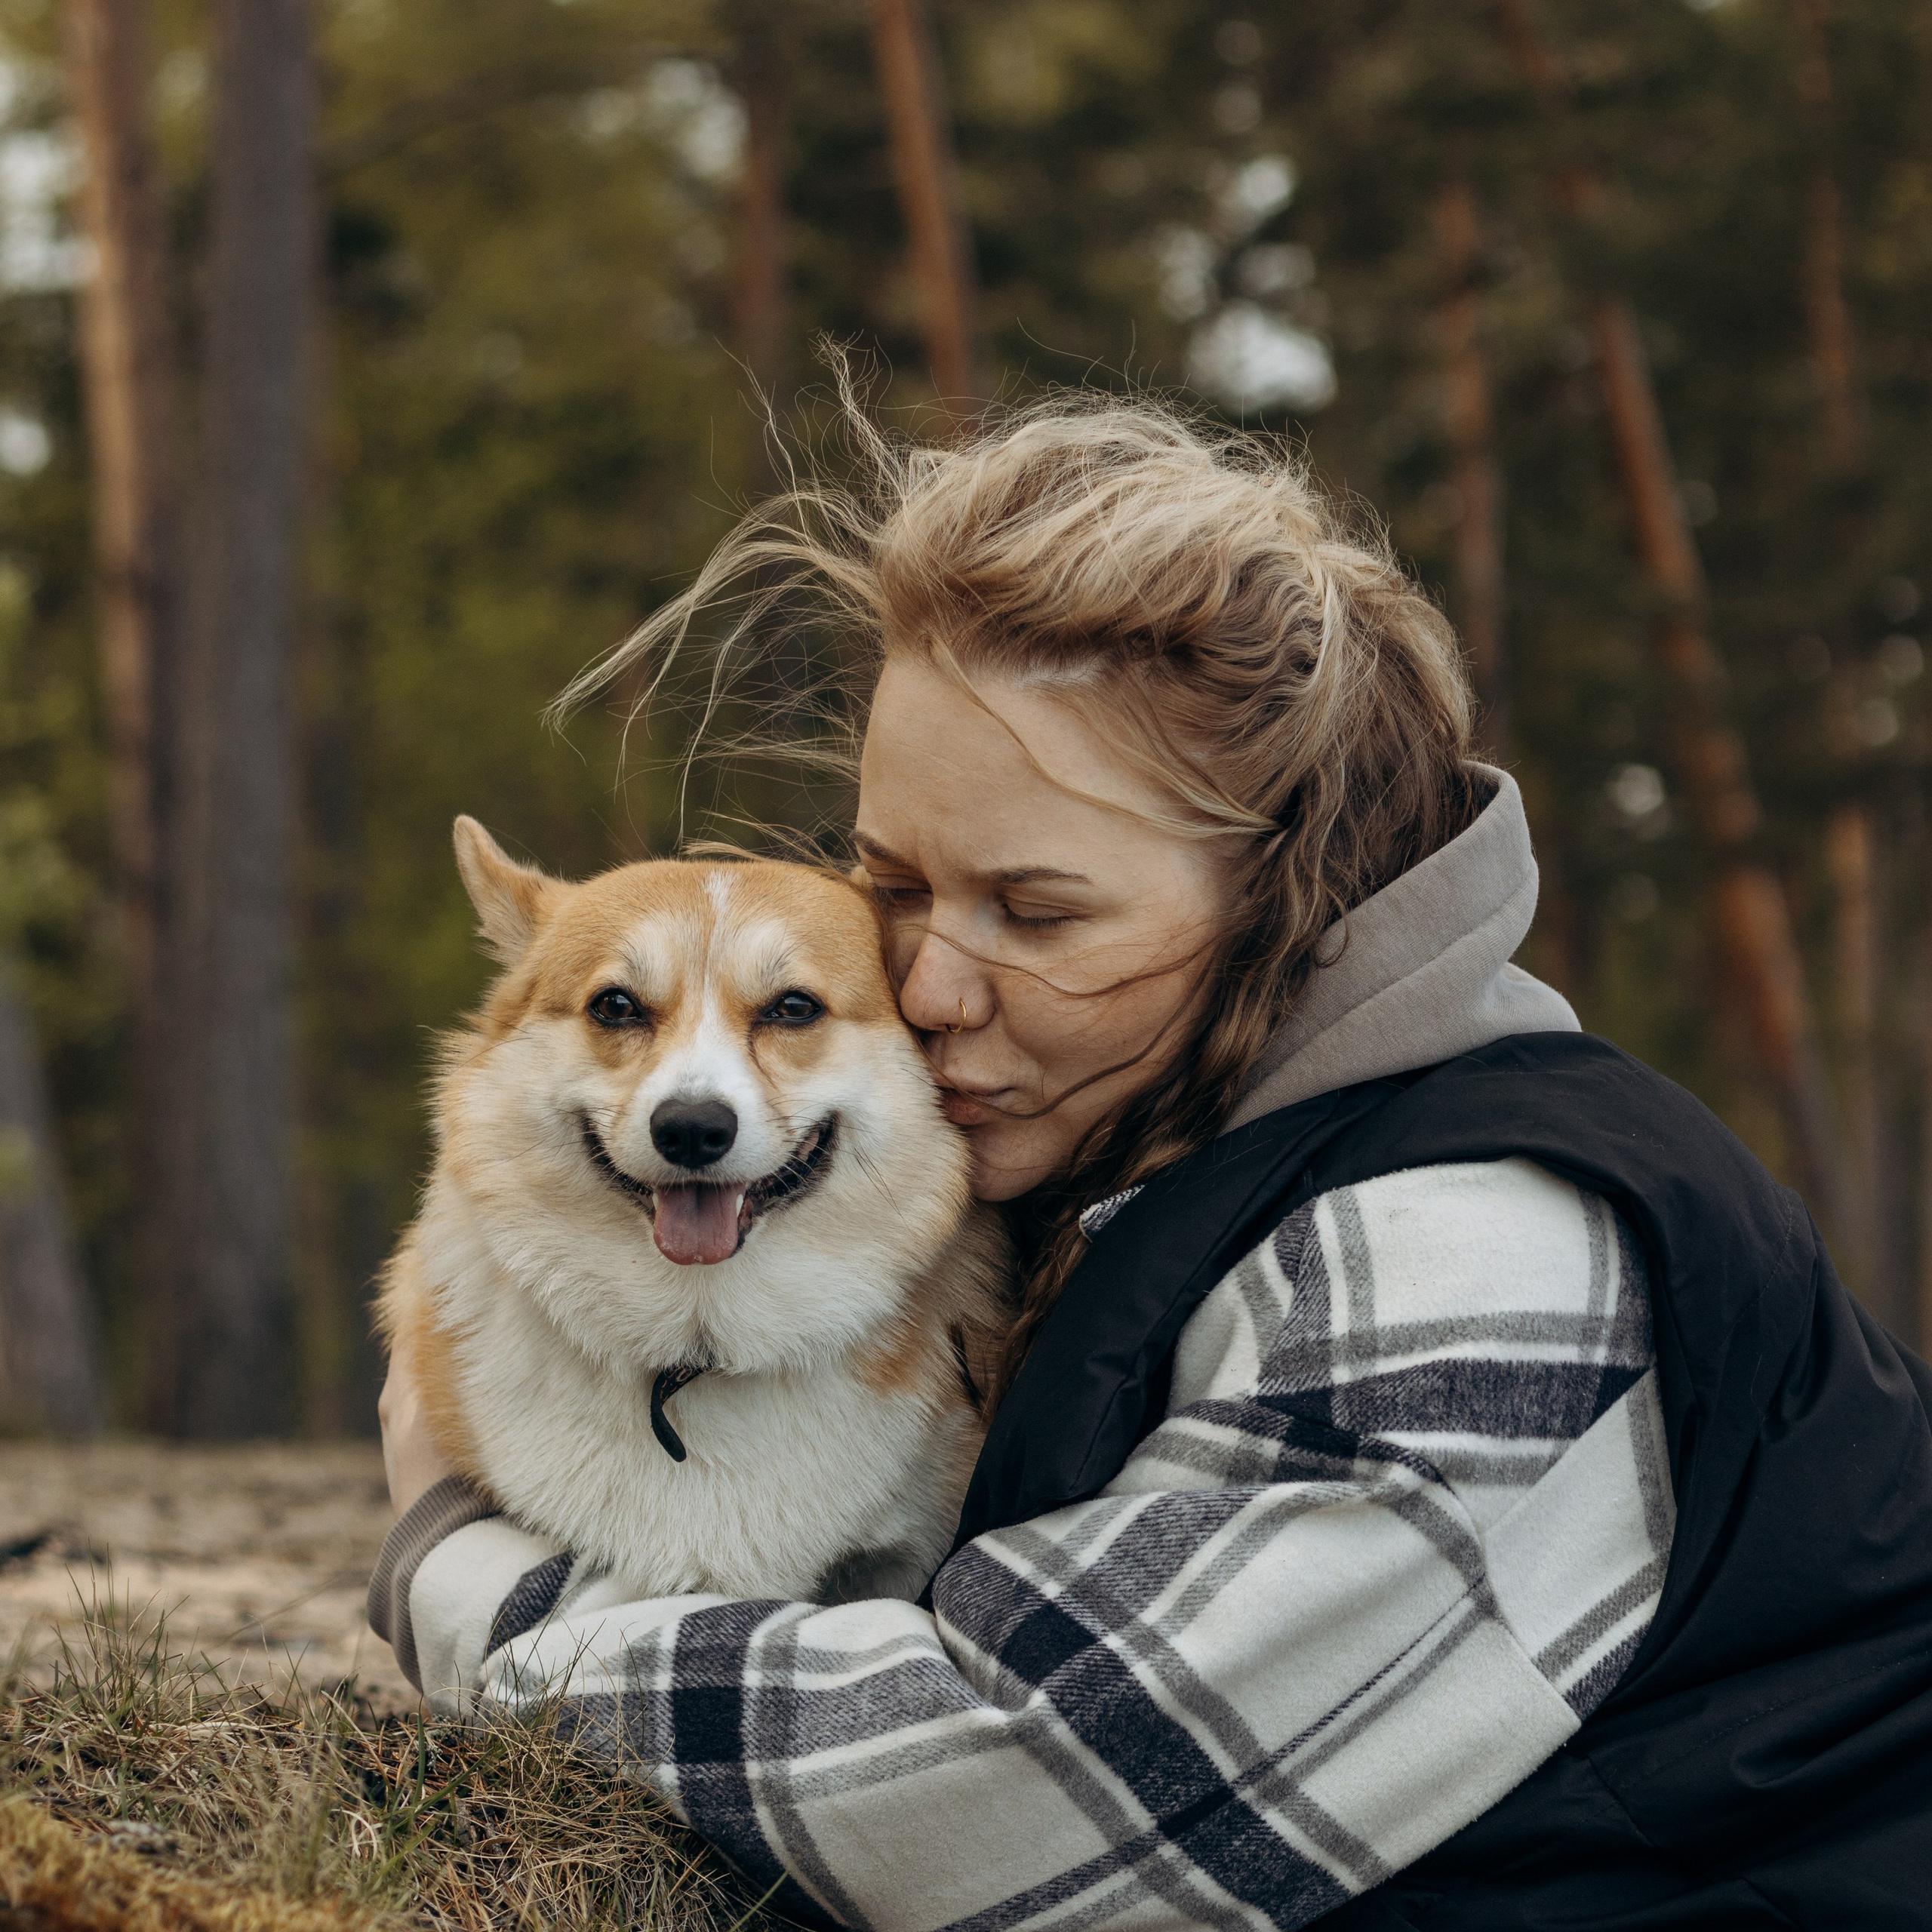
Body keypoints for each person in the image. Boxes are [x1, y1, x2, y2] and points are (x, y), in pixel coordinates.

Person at [370, 395, 1932, 1930]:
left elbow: (1005, 1789)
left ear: (1288, 896)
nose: (925, 985)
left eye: (1034, 910)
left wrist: (463, 1571)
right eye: (894, 884)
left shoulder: (1474, 1260)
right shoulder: (1126, 1136)